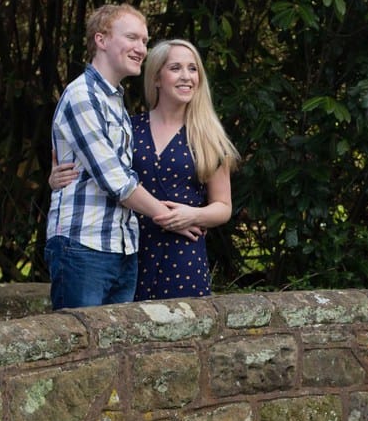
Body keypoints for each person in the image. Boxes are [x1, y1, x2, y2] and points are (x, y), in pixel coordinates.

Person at [51, 37, 238, 299]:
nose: (186, 76)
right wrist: (55, 178)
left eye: (193, 69)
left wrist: (193, 216)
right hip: (130, 253)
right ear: (157, 78)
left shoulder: (209, 138)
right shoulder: (129, 127)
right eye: (175, 68)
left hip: (184, 258)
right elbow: (102, 170)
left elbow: (223, 207)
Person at [44, 4, 176, 310]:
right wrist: (169, 218)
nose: (141, 48)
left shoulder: (114, 101)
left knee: (115, 355)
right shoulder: (82, 96)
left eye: (144, 41)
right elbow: (116, 180)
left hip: (121, 247)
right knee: (82, 354)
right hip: (83, 246)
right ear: (101, 40)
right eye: (132, 37)